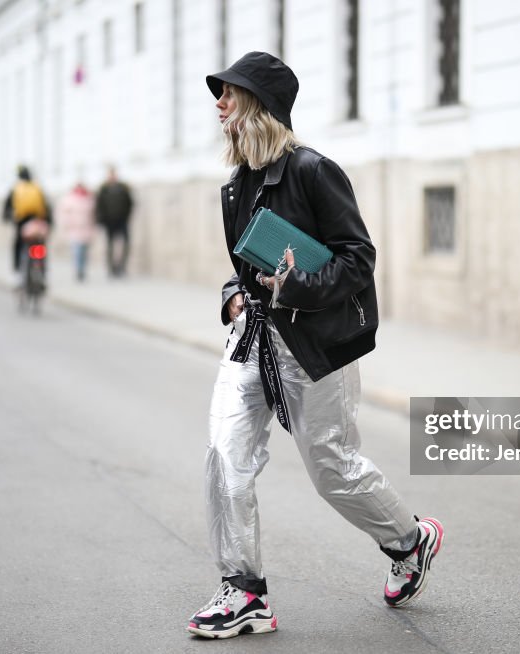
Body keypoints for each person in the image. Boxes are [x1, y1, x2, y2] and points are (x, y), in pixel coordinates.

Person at [186, 51, 444, 640]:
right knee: (225, 455)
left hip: (313, 345)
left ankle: (410, 540)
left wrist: (295, 284)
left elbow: (360, 257)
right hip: (252, 340)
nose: (219, 104)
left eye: (229, 93)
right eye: (219, 93)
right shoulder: (236, 186)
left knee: (332, 468)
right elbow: (244, 270)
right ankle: (244, 592)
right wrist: (233, 295)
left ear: (258, 104)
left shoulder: (312, 171)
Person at [2, 165, 52, 285]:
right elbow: (46, 206)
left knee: (18, 245)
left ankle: (17, 272)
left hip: (22, 222)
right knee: (38, 246)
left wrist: (7, 216)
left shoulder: (16, 188)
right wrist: (49, 221)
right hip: (37, 221)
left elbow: (7, 207)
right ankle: (42, 272)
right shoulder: (37, 187)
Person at [95, 165, 134, 278]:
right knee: (110, 245)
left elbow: (129, 203)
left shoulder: (123, 187)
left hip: (122, 220)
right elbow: (99, 206)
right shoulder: (103, 189)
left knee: (125, 243)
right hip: (109, 222)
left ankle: (122, 266)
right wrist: (101, 220)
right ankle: (111, 268)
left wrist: (126, 216)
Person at [56, 181, 96, 282]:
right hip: (74, 229)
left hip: (86, 229)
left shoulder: (89, 199)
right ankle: (78, 270)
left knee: (84, 252)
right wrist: (66, 225)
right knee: (77, 251)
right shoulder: (69, 199)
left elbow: (94, 215)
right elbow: (63, 214)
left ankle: (82, 269)